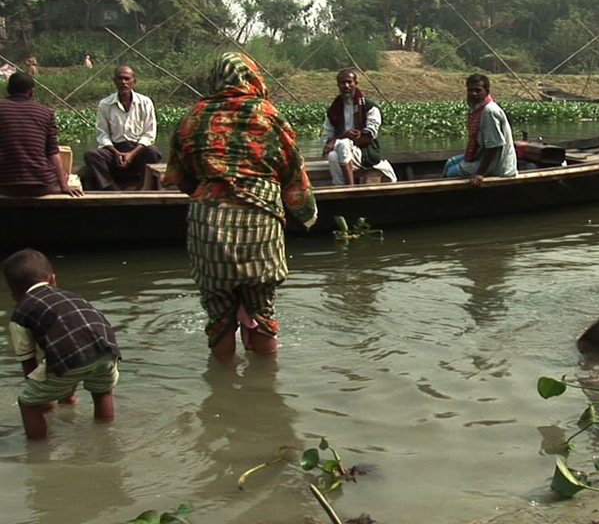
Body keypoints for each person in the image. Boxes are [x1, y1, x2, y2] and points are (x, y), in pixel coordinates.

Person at [163, 52, 318, 360]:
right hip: (260, 226)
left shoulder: (194, 117)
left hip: (209, 225)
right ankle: (264, 391)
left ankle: (221, 387)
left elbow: (180, 177)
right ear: (251, 77)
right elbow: (293, 174)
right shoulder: (267, 115)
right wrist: (306, 214)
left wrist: (213, 190)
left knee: (219, 318)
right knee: (262, 311)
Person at [3, 248, 121, 440]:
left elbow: (28, 359)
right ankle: (106, 435)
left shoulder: (21, 313)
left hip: (70, 357)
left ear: (15, 295)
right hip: (107, 348)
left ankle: (39, 450)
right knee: (102, 392)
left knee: (27, 403)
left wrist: (41, 398)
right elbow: (79, 341)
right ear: (52, 279)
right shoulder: (72, 296)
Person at [0, 72, 82, 197]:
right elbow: (53, 152)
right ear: (31, 92)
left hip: (4, 186)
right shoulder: (46, 112)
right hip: (41, 186)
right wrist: (64, 185)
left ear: (8, 90)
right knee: (65, 175)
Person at [83, 65, 161, 190]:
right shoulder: (105, 104)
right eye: (120, 79)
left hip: (138, 149)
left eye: (127, 79)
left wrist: (132, 153)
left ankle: (143, 187)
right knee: (91, 155)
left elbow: (149, 133)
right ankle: (111, 188)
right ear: (115, 81)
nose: (123, 82)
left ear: (133, 82)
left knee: (153, 152)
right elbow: (102, 134)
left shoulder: (145, 102)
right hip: (114, 150)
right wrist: (117, 153)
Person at [320, 69, 396, 185]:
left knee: (343, 144)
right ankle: (342, 188)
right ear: (338, 85)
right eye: (342, 83)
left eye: (349, 82)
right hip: (342, 153)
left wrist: (341, 139)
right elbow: (326, 140)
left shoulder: (370, 108)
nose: (346, 86)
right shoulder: (333, 110)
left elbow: (368, 137)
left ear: (355, 84)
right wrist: (344, 136)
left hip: (364, 154)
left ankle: (349, 187)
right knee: (332, 156)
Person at [442, 74, 517, 186]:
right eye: (470, 90)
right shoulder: (477, 109)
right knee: (449, 163)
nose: (473, 94)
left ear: (486, 91)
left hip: (499, 165)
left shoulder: (489, 111)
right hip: (484, 157)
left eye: (477, 90)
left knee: (451, 172)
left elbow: (494, 146)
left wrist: (480, 174)